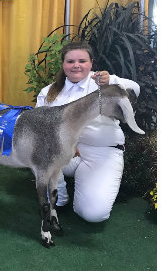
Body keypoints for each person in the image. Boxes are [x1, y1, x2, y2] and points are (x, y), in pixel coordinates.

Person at [36, 38, 141, 222]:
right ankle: (59, 197)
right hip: (66, 153)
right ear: (63, 64)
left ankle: (87, 181)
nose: (76, 65)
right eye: (70, 61)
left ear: (91, 63)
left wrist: (113, 80)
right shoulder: (49, 92)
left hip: (102, 152)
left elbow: (136, 90)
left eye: (82, 61)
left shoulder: (105, 84)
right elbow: (40, 126)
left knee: (94, 215)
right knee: (41, 145)